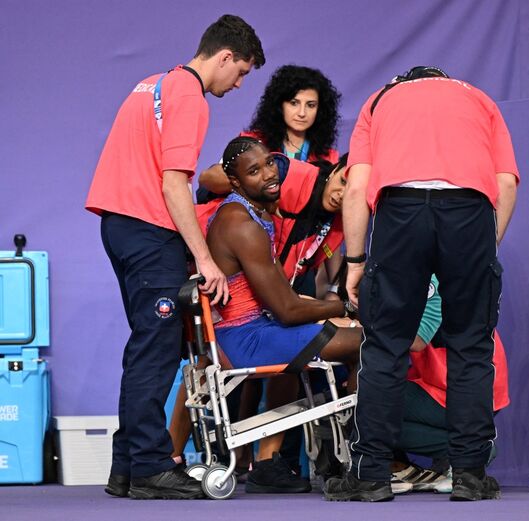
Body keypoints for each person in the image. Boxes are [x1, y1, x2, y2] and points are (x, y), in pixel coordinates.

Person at [85, 15, 264, 500]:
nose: (240, 83)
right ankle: (148, 466)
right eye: (242, 71)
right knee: (157, 347)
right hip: (147, 230)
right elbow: (172, 183)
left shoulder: (151, 85)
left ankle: (127, 467)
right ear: (224, 56)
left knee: (146, 343)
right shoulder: (189, 97)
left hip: (118, 226)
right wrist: (204, 260)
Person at [325, 66, 519, 502]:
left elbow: (357, 188)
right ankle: (469, 474)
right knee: (471, 346)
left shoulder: (380, 99)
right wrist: (485, 251)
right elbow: (505, 184)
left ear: (403, 83)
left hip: (401, 209)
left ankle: (372, 474)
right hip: (470, 211)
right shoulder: (479, 97)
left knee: (385, 345)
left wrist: (355, 261)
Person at [205, 136, 362, 493]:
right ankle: (361, 458)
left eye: (270, 164)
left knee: (356, 338)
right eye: (254, 171)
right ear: (236, 182)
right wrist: (345, 306)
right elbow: (289, 311)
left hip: (256, 331)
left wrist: (330, 311)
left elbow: (287, 302)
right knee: (370, 345)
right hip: (248, 339)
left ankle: (340, 455)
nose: (269, 175)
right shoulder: (240, 222)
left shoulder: (255, 215)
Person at [389, 277, 511, 495]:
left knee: (375, 403)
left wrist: (362, 324)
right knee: (377, 410)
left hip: (467, 388)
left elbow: (417, 339)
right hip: (447, 382)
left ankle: (473, 451)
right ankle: (465, 451)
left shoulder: (433, 278)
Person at [197, 64, 341, 197]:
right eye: (294, 103)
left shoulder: (329, 158)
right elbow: (207, 178)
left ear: (320, 110)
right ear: (279, 105)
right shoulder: (251, 142)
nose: (302, 113)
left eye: (310, 105)